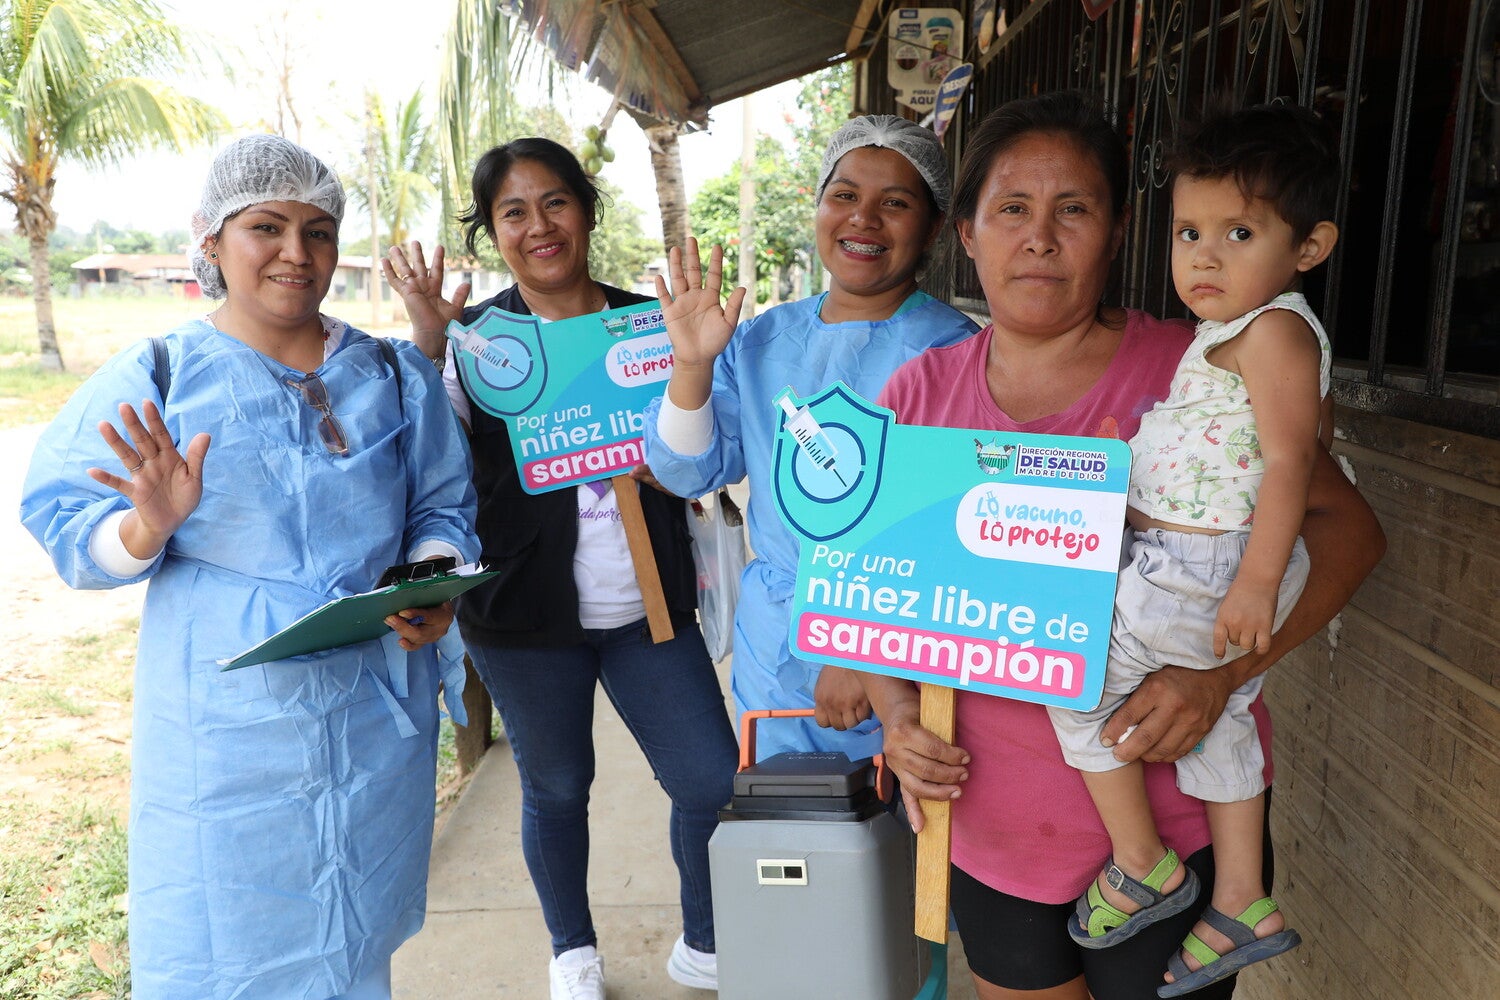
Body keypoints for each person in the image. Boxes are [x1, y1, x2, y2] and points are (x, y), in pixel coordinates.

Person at [861, 92, 1384, 1000]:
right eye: (1012, 210)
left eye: (1075, 209)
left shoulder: (1204, 368)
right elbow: (876, 595)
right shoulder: (918, 396)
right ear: (970, 233)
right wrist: (897, 720)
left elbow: (1349, 536)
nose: (1041, 237)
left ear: (1118, 231)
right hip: (991, 822)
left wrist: (1220, 678)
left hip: (1182, 821)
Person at [20, 134, 480, 1000]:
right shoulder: (160, 372)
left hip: (371, 714)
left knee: (354, 933)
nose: (296, 254)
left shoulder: (388, 372)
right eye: (266, 226)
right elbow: (67, 520)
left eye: (319, 231)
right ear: (212, 240)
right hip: (229, 731)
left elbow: (442, 507)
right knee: (228, 945)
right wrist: (145, 529)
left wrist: (430, 582)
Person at [381, 137, 737, 1000]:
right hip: (521, 612)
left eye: (555, 202)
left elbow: (712, 449)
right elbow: (424, 458)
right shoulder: (476, 342)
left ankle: (706, 939)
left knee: (710, 780)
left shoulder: (654, 324)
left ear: (586, 209)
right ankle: (572, 949)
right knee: (557, 784)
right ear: (492, 232)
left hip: (649, 605)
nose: (538, 226)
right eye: (514, 212)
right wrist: (431, 342)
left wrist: (675, 455)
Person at [1044, 103, 1343, 997]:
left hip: (1209, 570)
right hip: (1195, 561)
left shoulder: (1276, 331)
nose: (1204, 255)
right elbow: (1228, 455)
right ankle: (1243, 900)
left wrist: (1256, 582)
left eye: (1239, 231)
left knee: (1068, 675)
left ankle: (1143, 863)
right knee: (1222, 723)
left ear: (1309, 247)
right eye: (1188, 231)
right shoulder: (1230, 335)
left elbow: (1293, 460)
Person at [643, 115, 979, 762]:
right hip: (774, 641)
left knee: (884, 843)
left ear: (935, 226)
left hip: (898, 649)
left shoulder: (953, 351)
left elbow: (943, 532)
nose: (864, 220)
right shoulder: (763, 339)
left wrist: (862, 649)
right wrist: (692, 364)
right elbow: (689, 472)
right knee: (785, 847)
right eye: (845, 196)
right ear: (819, 206)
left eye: (896, 203)